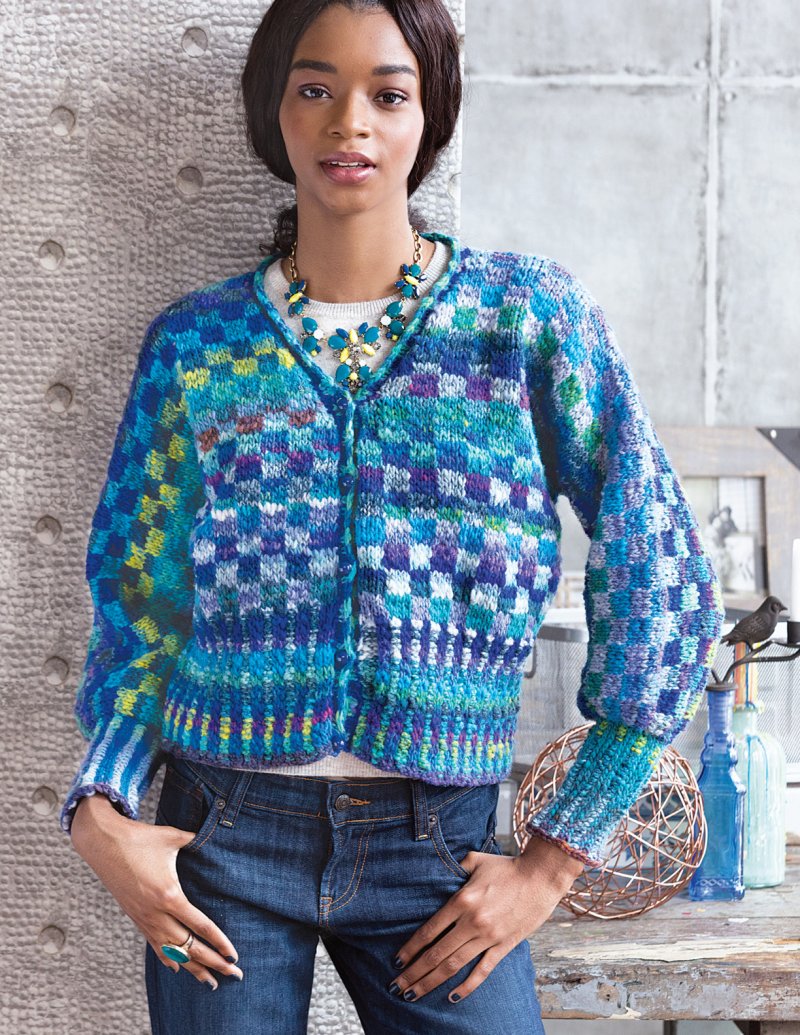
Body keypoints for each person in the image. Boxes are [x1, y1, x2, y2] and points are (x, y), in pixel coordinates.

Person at [60, 1, 726, 1032]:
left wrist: (552, 860)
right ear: (274, 111)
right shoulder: (197, 346)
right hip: (218, 840)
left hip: (440, 845)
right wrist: (101, 809)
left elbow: (662, 570)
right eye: (314, 89)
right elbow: (141, 602)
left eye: (387, 92)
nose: (349, 123)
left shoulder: (525, 320)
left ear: (430, 114)